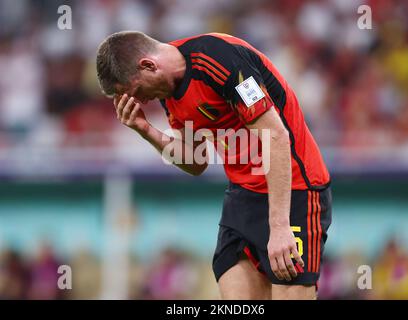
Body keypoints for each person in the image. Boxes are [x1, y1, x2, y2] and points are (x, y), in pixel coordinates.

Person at [96, 31, 332, 300]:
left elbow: (275, 136)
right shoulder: (169, 88)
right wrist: (145, 129)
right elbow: (196, 162)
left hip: (295, 192)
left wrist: (279, 227)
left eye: (138, 91)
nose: (143, 100)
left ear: (149, 65)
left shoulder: (220, 60)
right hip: (243, 196)